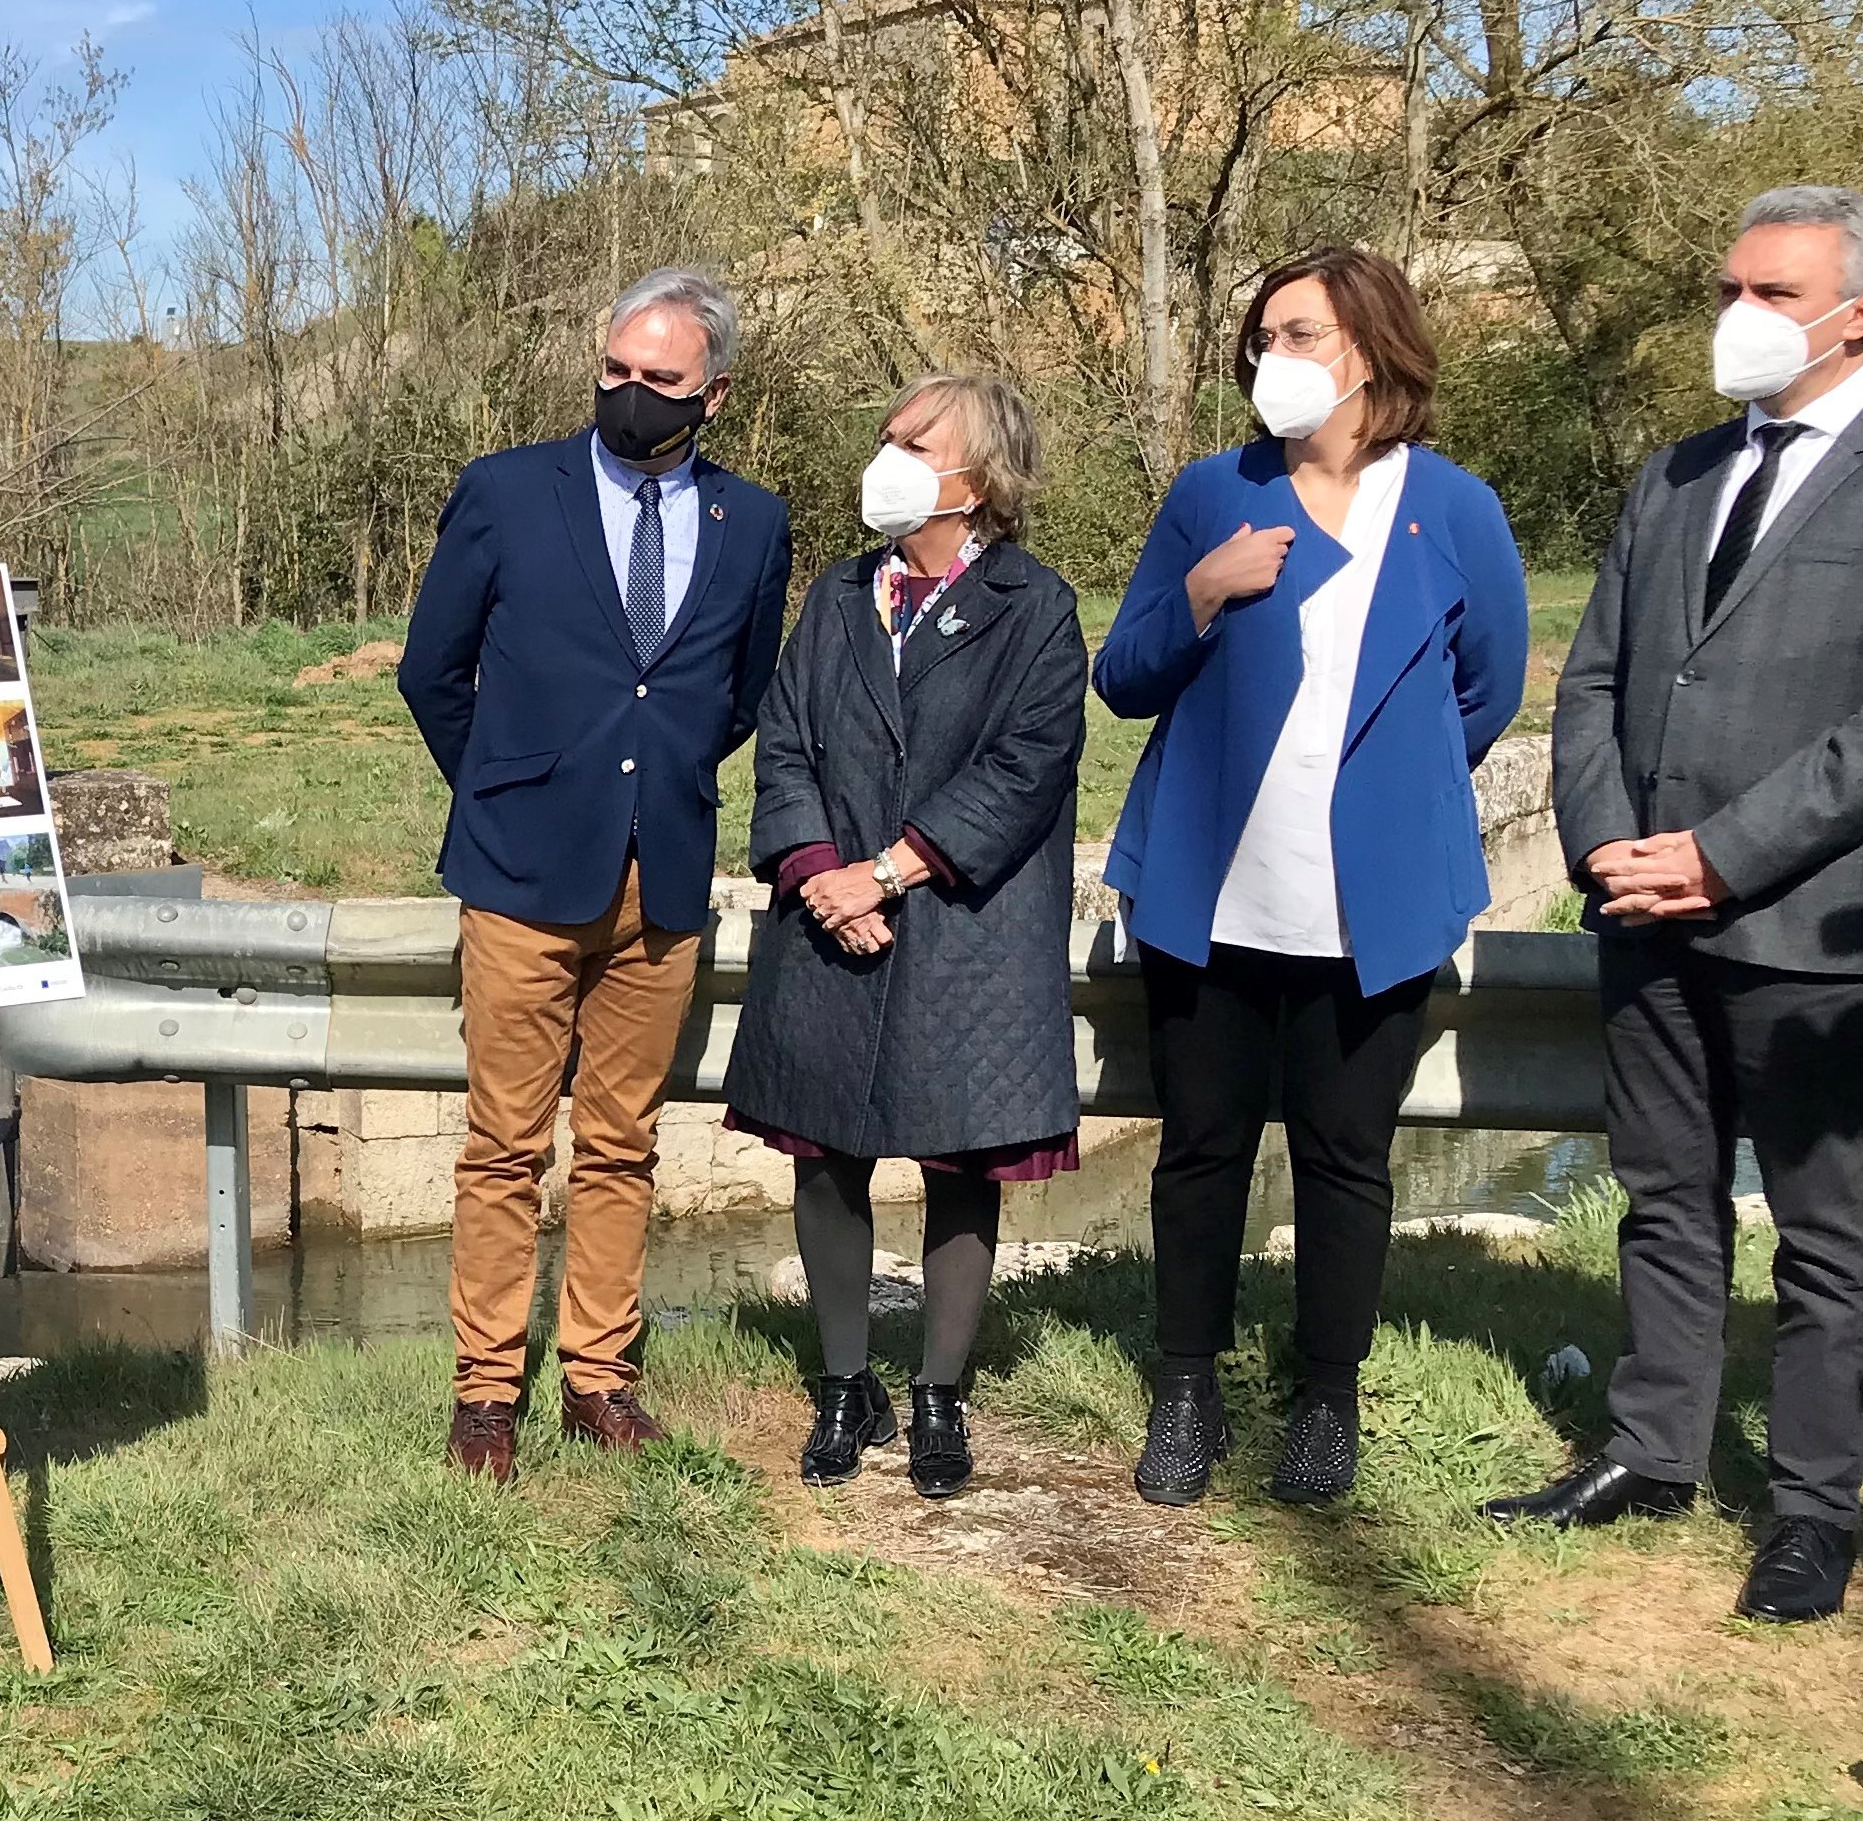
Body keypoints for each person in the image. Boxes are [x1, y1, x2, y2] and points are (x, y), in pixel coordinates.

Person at [1484, 187, 1863, 1622]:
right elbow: (1593, 674)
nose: (1740, 314)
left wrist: (1720, 853)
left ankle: (1809, 1507)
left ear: (1862, 312)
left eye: (1774, 293)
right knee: (1663, 1196)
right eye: (1732, 285)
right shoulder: (1674, 472)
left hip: (1813, 912)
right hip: (1641, 905)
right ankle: (1655, 1450)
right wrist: (1608, 843)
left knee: (1822, 1221)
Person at [1095, 246, 1528, 1507]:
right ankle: (1186, 1389)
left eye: (1294, 334)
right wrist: (1198, 593)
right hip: (1211, 890)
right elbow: (1123, 675)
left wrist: (1388, 796)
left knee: (1346, 1157)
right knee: (1200, 1146)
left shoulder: (1453, 509)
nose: (1264, 359)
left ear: (1370, 350)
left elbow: (1482, 692)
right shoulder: (1207, 492)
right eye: (1259, 337)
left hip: (1372, 906)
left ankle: (1324, 1399)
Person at [398, 268, 794, 1484]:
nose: (630, 394)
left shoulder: (755, 523)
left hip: (660, 875)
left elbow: (736, 694)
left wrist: (646, 784)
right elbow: (432, 669)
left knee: (622, 1142)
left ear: (712, 393)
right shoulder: (509, 492)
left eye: (659, 380)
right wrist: (511, 788)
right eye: (615, 371)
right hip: (520, 873)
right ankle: (484, 1394)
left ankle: (600, 1379)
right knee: (505, 1144)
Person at [722, 376, 1088, 1500]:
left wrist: (887, 871)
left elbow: (1024, 769)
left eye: (912, 441)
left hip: (965, 926)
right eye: (885, 435)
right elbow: (782, 745)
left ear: (978, 477)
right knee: (824, 1153)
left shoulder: (1036, 607)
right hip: (828, 916)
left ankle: (938, 1388)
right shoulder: (836, 599)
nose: (885, 455)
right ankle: (845, 1383)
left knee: (958, 1158)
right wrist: (816, 873)